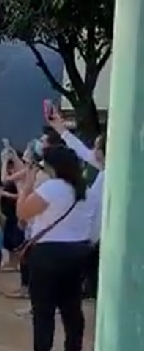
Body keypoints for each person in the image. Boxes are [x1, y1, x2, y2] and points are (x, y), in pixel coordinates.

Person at [16, 145, 92, 351]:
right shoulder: (83, 189)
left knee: (43, 311)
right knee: (72, 307)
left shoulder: (51, 188)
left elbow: (22, 212)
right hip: (78, 253)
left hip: (49, 254)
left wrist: (27, 186)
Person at [46, 107, 105, 299]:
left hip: (94, 241)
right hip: (91, 240)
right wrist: (61, 128)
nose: (93, 151)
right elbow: (81, 151)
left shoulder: (111, 175)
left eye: (97, 147)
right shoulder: (106, 170)